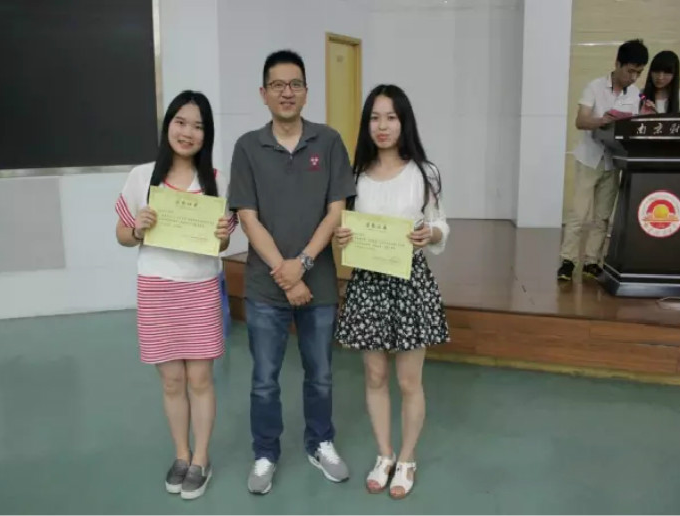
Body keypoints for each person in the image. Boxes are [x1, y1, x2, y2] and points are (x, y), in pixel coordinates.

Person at [227, 49, 357, 495]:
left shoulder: (329, 141)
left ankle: (320, 443)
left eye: (295, 84)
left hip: (318, 286)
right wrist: (285, 274)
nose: (287, 92)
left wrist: (301, 265)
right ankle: (265, 453)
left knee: (320, 375)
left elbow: (336, 211)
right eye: (278, 85)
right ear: (263, 93)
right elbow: (247, 218)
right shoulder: (248, 147)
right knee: (265, 380)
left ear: (306, 91)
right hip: (265, 288)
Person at [114, 90, 236, 500]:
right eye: (181, 122)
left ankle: (201, 459)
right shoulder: (142, 177)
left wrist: (222, 236)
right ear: (168, 125)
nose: (188, 132)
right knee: (171, 381)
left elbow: (221, 245)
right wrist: (137, 228)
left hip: (201, 288)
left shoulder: (216, 180)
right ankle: (181, 455)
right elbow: (122, 235)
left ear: (207, 134)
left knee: (200, 378)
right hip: (156, 288)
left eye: (198, 126)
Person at [334, 84, 450, 500]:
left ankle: (407, 457)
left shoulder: (425, 172)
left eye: (391, 117)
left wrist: (430, 233)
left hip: (409, 281)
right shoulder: (355, 176)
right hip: (369, 282)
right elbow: (344, 226)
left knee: (408, 379)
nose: (382, 126)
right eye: (374, 118)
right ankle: (384, 454)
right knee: (375, 374)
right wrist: (343, 235)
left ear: (404, 122)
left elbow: (441, 224)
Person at [557, 39, 649, 282]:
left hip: (614, 160)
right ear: (617, 64)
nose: (633, 77)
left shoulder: (636, 94)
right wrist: (603, 120)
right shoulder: (595, 87)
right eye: (630, 71)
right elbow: (581, 121)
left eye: (638, 73)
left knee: (603, 216)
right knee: (579, 213)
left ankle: (591, 261)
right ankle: (567, 260)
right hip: (589, 159)